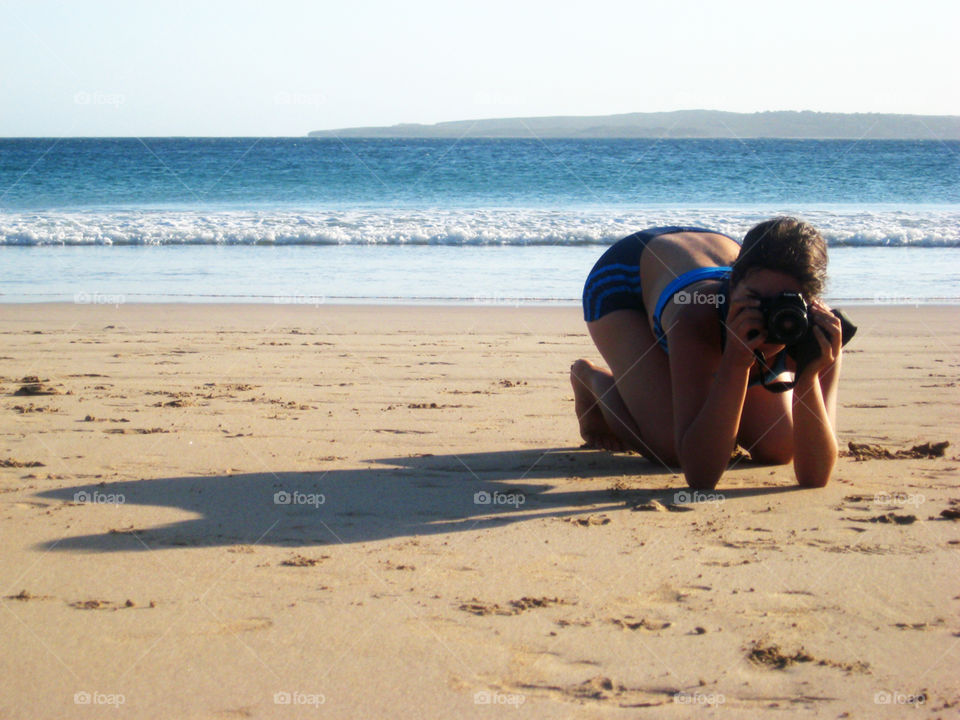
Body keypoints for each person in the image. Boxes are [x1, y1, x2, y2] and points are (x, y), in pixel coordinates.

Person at [571, 217, 843, 490]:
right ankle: (592, 380)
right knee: (672, 449)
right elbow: (700, 474)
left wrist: (808, 378)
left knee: (778, 447)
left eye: (783, 303)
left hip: (699, 256)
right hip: (624, 280)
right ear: (733, 283)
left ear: (811, 304)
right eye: (755, 299)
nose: (764, 315)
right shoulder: (697, 318)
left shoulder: (820, 330)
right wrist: (735, 363)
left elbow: (815, 477)